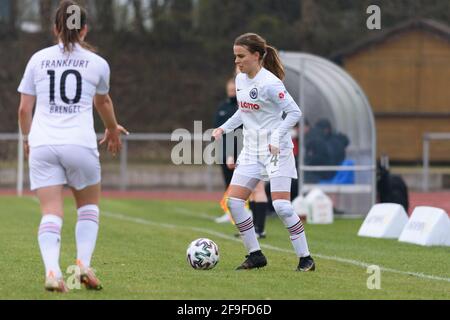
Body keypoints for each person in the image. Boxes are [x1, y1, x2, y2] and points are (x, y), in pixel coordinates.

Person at [17, 0, 128, 293]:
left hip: (43, 144)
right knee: (88, 208)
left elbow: (23, 110)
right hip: (79, 143)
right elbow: (102, 102)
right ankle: (82, 264)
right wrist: (112, 129)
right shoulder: (97, 63)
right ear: (85, 29)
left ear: (55, 28)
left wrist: (28, 139)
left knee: (51, 211)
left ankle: (53, 271)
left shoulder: (37, 59)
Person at [212, 33, 315, 271]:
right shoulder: (239, 79)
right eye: (235, 56)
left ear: (256, 56)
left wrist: (278, 137)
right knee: (234, 202)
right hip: (251, 150)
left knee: (282, 207)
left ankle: (306, 258)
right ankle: (255, 255)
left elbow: (294, 113)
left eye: (241, 56)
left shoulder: (270, 83)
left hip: (276, 150)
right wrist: (223, 128)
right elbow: (243, 112)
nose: (237, 61)